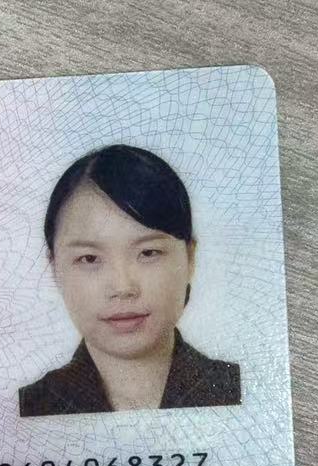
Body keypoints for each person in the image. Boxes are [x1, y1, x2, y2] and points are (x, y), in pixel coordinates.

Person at [18, 144, 241, 416]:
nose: (122, 288)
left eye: (148, 253)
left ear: (190, 258)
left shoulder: (237, 390)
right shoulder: (31, 407)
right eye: (89, 258)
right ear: (55, 268)